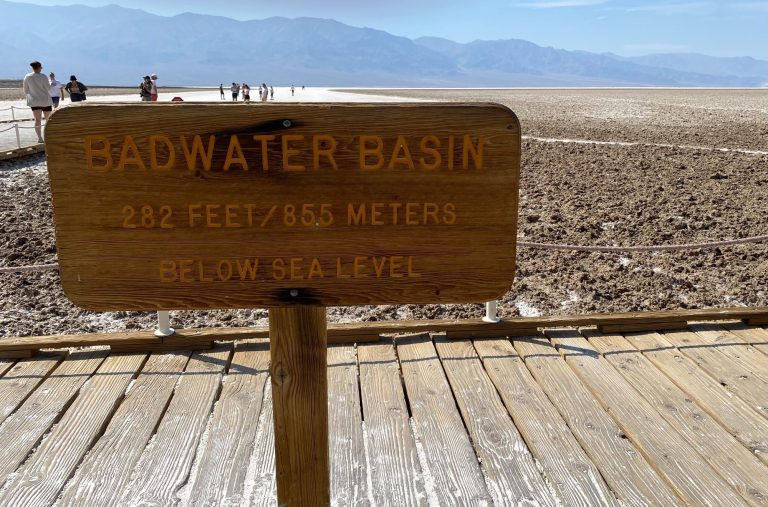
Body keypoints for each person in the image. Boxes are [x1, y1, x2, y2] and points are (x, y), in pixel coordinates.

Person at [23, 61, 53, 143]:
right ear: (39, 67)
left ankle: (40, 138)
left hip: (34, 101)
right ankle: (48, 137)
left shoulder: (27, 76)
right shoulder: (43, 76)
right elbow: (48, 88)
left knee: (37, 120)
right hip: (45, 100)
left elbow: (25, 90)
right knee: (48, 120)